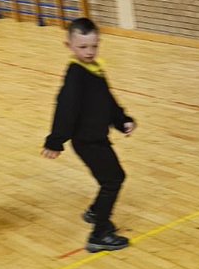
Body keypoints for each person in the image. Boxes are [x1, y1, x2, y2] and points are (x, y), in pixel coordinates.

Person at [42, 17, 135, 252]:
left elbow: (107, 100)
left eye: (94, 46)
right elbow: (65, 108)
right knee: (113, 180)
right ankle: (99, 234)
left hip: (97, 137)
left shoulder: (94, 69)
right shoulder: (76, 75)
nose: (89, 51)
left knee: (110, 178)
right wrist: (56, 140)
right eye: (83, 47)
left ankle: (95, 212)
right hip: (87, 141)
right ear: (69, 46)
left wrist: (121, 120)